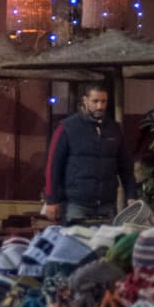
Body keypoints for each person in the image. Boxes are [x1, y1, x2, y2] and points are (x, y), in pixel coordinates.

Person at [43, 85, 139, 224]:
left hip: (107, 203)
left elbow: (126, 167)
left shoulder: (114, 129)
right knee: (75, 244)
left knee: (106, 244)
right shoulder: (67, 127)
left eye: (104, 101)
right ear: (85, 100)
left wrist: (131, 195)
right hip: (76, 203)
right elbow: (53, 166)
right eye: (95, 101)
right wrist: (51, 200)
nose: (100, 106)